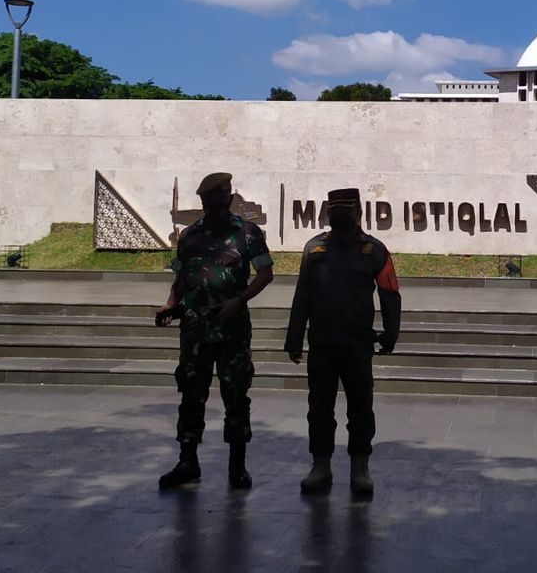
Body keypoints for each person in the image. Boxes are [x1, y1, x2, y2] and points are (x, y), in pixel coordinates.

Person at [154, 172, 274, 490]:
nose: (216, 203)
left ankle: (238, 467)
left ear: (230, 198)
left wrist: (239, 300)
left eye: (222, 197)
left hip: (232, 331)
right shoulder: (191, 236)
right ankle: (187, 461)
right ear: (204, 201)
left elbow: (265, 274)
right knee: (191, 397)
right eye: (211, 199)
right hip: (194, 331)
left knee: (236, 397)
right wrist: (170, 305)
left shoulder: (247, 233)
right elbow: (180, 279)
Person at [285, 188, 402, 496]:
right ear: (328, 214)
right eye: (335, 212)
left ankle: (360, 467)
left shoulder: (374, 250)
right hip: (322, 343)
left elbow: (390, 294)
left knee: (361, 408)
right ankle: (320, 466)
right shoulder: (314, 248)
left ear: (358, 213)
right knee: (319, 408)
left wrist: (391, 333)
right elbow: (302, 295)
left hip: (357, 343)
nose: (340, 217)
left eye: (346, 212)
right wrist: (294, 335)